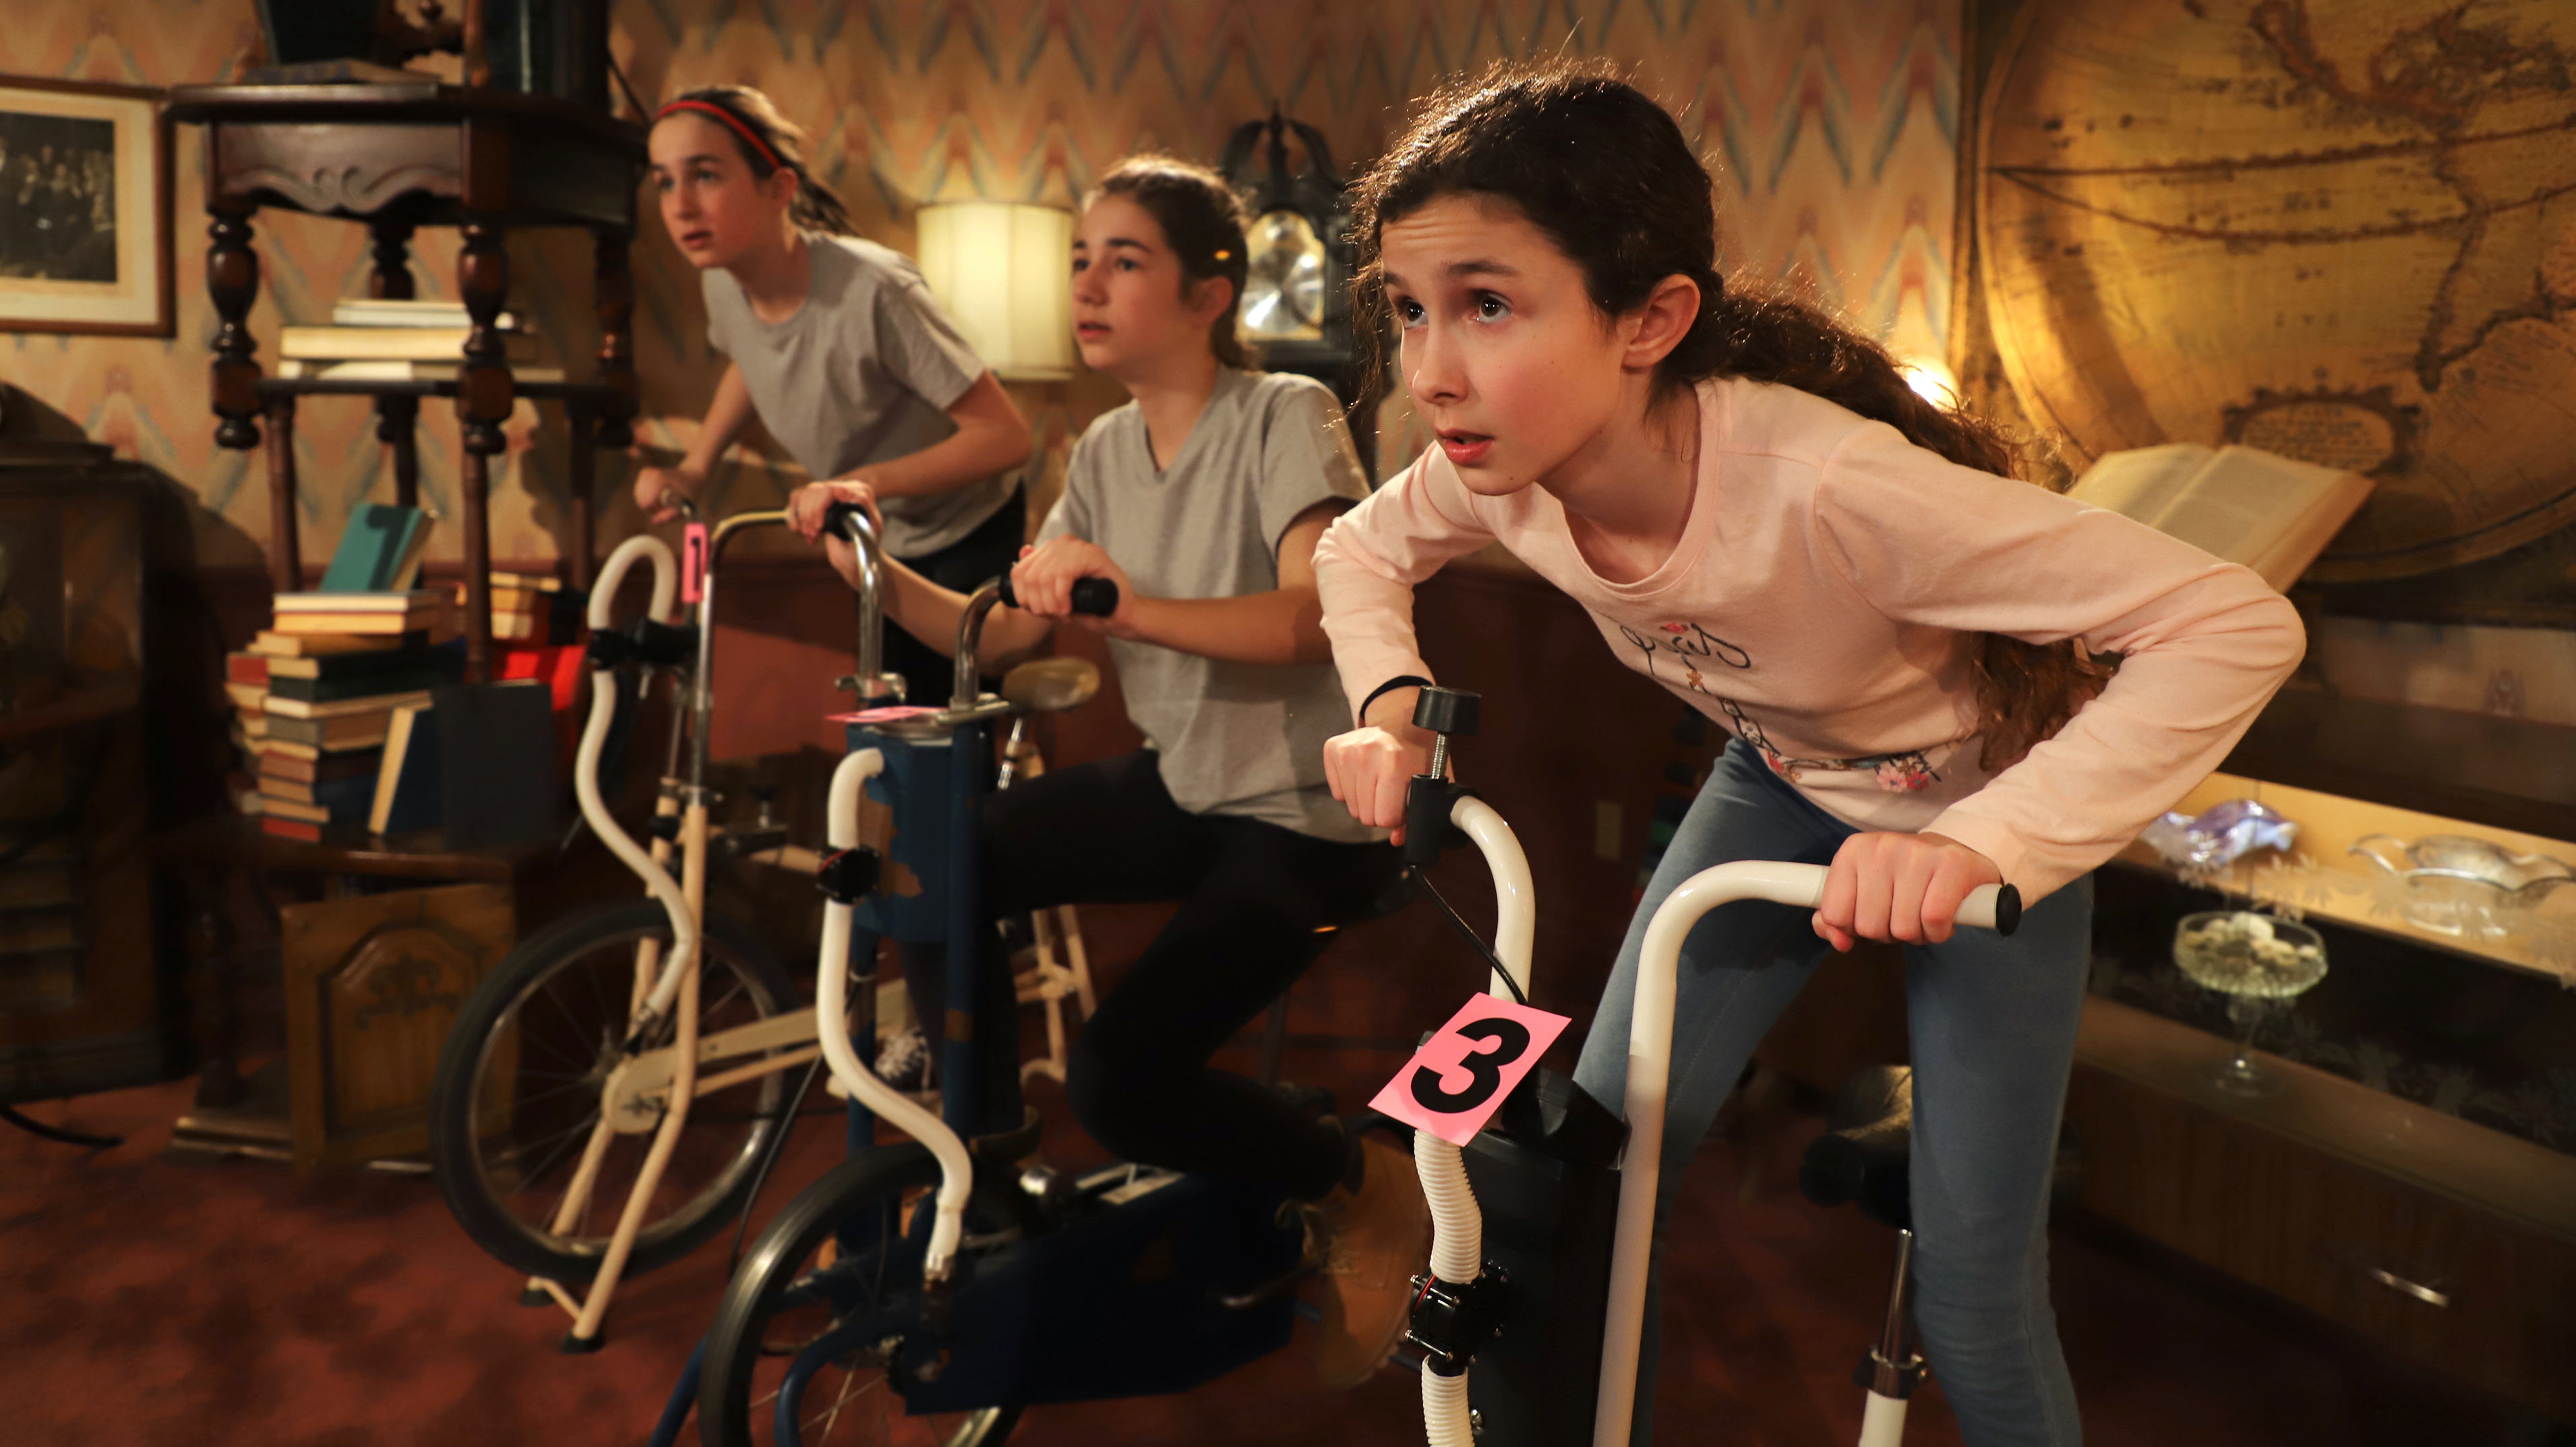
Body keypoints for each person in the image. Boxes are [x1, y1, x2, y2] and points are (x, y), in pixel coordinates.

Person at [1313, 61, 2304, 1446]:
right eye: (1408, 309)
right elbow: (1360, 550)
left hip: (1973, 814)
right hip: (1771, 783)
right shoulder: (1499, 473)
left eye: (1487, 304)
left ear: (1650, 319)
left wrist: (1980, 843)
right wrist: (1389, 702)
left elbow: (2232, 621)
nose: (1429, 371)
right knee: (1593, 1193)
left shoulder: (1828, 487)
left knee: (1971, 1288)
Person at [787, 154, 1432, 1390]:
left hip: (1310, 818)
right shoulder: (1098, 448)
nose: (1086, 284)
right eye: (1081, 259)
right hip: (1189, 785)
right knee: (943, 855)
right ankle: (977, 1143)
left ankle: (1360, 1183)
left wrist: (1129, 606)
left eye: (1123, 260)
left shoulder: (1283, 413)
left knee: (1122, 1082)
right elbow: (1000, 634)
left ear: (1208, 294)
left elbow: (1313, 619)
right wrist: (866, 562)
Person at [638, 86, 1034, 706]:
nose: (680, 205)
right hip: (874, 531)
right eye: (665, 181)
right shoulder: (722, 284)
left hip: (964, 529)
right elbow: (750, 359)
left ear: (779, 189)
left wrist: (859, 483)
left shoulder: (874, 288)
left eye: (705, 175)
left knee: (947, 727)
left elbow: (1005, 438)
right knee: (885, 712)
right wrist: (696, 466)